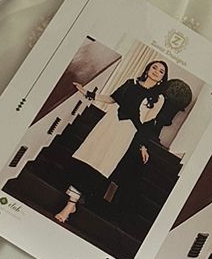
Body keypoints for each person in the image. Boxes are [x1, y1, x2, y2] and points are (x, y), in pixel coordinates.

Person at [54, 59, 169, 226]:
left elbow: (147, 124)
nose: (156, 71)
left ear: (162, 78)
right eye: (154, 68)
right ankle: (71, 204)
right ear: (147, 69)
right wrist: (87, 93)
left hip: (125, 133)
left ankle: (71, 204)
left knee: (101, 165)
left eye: (161, 71)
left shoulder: (159, 99)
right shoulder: (131, 83)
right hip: (108, 124)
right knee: (88, 157)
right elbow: (111, 99)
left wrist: (142, 145)